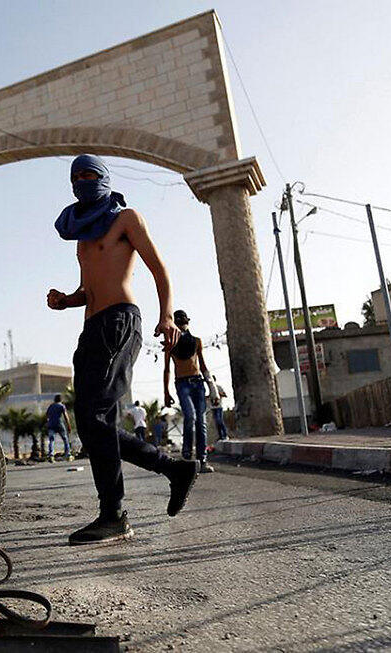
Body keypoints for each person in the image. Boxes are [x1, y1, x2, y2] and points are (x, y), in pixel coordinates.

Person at [48, 154, 200, 545]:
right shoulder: (82, 233)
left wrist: (167, 316)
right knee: (91, 423)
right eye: (76, 176)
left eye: (89, 174)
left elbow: (159, 268)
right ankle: (174, 471)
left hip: (119, 322)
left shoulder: (126, 218)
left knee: (95, 419)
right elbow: (88, 289)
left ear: (104, 178)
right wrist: (67, 299)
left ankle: (114, 515)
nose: (82, 181)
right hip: (92, 327)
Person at [163, 310, 215, 473]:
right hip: (182, 384)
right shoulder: (170, 345)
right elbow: (167, 370)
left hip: (198, 382)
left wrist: (212, 387)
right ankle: (187, 456)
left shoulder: (196, 342)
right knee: (190, 416)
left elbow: (203, 365)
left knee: (201, 420)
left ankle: (202, 459)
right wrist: (166, 392)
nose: (182, 327)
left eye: (183, 323)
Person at [45, 394, 72, 460]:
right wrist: (68, 425)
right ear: (61, 400)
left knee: (51, 440)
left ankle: (51, 455)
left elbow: (47, 415)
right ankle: (68, 454)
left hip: (51, 424)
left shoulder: (51, 406)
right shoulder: (62, 406)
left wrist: (48, 423)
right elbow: (66, 416)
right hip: (59, 424)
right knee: (65, 439)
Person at [209, 374, 229, 441]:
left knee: (219, 420)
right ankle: (220, 436)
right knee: (216, 422)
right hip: (212, 407)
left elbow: (225, 395)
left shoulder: (218, 387)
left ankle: (225, 435)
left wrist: (218, 395)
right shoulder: (208, 388)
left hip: (219, 407)